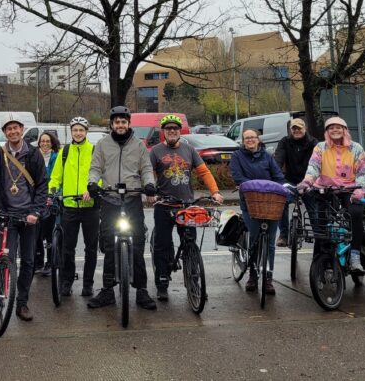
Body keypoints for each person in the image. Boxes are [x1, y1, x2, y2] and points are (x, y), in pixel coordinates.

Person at [86, 105, 158, 311]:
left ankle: (142, 290)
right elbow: (95, 168)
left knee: (137, 244)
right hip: (109, 199)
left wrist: (149, 184)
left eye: (123, 122)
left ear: (128, 124)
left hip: (132, 199)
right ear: (111, 124)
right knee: (109, 244)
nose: (120, 125)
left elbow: (145, 168)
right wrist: (92, 183)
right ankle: (108, 290)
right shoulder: (101, 144)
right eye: (116, 122)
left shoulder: (139, 145)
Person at [149, 114, 224, 301]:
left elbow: (204, 172)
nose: (172, 131)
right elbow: (148, 174)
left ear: (179, 130)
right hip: (164, 205)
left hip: (186, 205)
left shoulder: (189, 150)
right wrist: (149, 192)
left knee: (190, 243)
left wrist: (215, 192)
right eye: (168, 129)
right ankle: (162, 281)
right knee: (162, 245)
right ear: (163, 132)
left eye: (175, 128)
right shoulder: (156, 151)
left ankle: (194, 281)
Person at [0, 113, 48, 322]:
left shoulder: (33, 154)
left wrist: (35, 212)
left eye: (16, 128)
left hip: (28, 216)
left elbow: (42, 186)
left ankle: (22, 303)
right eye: (8, 129)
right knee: (6, 260)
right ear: (5, 132)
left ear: (22, 129)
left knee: (28, 261)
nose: (13, 131)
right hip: (6, 216)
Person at [297, 116, 365, 272]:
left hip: (349, 189)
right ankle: (319, 257)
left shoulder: (356, 148)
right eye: (331, 128)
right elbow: (313, 168)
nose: (335, 130)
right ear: (327, 132)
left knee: (355, 213)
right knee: (321, 220)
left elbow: (362, 173)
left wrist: (359, 191)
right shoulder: (320, 148)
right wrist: (306, 182)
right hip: (325, 189)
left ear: (344, 130)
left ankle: (355, 255)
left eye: (338, 127)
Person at [229, 128, 285, 295]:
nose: (250, 140)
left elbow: (278, 176)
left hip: (270, 203)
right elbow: (237, 177)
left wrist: (280, 189)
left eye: (253, 137)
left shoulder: (267, 156)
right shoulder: (237, 156)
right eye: (247, 138)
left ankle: (268, 278)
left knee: (269, 243)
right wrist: (257, 187)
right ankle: (253, 275)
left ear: (258, 140)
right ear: (243, 141)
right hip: (250, 202)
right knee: (254, 239)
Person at [48, 116, 98, 297]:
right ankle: (66, 282)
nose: (78, 133)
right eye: (75, 130)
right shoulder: (65, 151)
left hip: (90, 206)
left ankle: (88, 284)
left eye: (81, 130)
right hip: (69, 205)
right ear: (71, 132)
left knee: (91, 248)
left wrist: (92, 190)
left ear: (87, 131)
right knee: (68, 248)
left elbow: (100, 174)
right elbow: (56, 176)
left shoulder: (93, 150)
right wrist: (52, 189)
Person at [273, 118, 318, 247]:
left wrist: (312, 181)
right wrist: (278, 178)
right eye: (294, 128)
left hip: (309, 181)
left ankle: (318, 235)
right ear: (290, 130)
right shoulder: (285, 142)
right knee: (281, 201)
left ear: (305, 129)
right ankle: (283, 235)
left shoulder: (313, 142)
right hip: (290, 180)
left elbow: (318, 162)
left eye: (299, 128)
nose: (297, 131)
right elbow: (278, 159)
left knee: (313, 209)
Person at [34, 131, 60, 276]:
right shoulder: (34, 156)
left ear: (52, 143)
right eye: (42, 141)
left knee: (49, 233)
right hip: (37, 199)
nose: (44, 144)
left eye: (47, 141)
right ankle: (38, 261)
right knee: (36, 233)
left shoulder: (57, 157)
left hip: (51, 199)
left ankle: (50, 262)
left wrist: (54, 194)